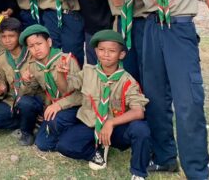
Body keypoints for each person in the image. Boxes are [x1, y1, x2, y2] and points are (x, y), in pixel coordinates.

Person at [112, 0, 209, 178]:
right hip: (151, 31)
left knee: (188, 101)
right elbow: (119, 0)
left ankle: (196, 171)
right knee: (155, 100)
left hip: (179, 30)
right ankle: (166, 157)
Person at [56, 30, 150, 179]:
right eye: (101, 50)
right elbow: (65, 88)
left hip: (115, 129)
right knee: (64, 146)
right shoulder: (88, 71)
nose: (106, 54)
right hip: (91, 124)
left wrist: (111, 123)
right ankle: (97, 151)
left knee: (141, 129)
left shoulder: (127, 81)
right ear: (96, 51)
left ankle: (138, 172)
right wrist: (61, 74)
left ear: (121, 55)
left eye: (112, 51)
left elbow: (139, 111)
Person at [19, 24, 82, 152]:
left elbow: (81, 95)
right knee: (42, 143)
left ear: (49, 42)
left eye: (39, 43)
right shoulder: (33, 65)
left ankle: (75, 132)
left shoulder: (66, 60)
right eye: (31, 46)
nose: (36, 49)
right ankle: (33, 132)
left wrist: (59, 105)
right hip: (52, 106)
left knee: (50, 132)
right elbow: (31, 92)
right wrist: (26, 81)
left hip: (72, 106)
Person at [0, 18, 44, 146]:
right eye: (4, 36)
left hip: (32, 100)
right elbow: (1, 81)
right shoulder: (2, 58)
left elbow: (42, 85)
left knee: (25, 103)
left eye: (11, 36)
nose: (7, 40)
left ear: (20, 36)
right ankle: (27, 122)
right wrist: (0, 88)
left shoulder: (31, 53)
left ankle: (27, 133)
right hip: (12, 101)